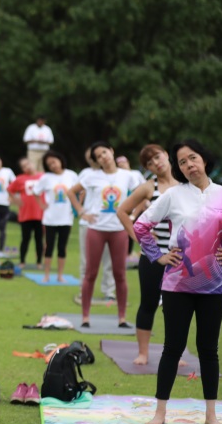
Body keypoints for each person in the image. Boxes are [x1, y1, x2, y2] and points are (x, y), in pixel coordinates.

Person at [133, 139, 222, 424]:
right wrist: (159, 256)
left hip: (215, 285)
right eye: (182, 162)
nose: (188, 165)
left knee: (208, 349)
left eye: (192, 158)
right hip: (177, 284)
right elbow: (141, 225)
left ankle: (211, 415)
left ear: (204, 159)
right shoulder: (174, 195)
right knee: (172, 348)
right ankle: (160, 413)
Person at [117, 144, 178, 366]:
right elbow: (122, 211)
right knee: (149, 303)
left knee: (177, 305)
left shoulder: (185, 184)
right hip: (152, 254)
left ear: (166, 154)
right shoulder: (147, 187)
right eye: (149, 163)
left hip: (180, 255)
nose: (156, 163)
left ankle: (176, 352)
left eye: (157, 157)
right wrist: (137, 236)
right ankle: (143, 353)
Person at [69, 141, 140, 327]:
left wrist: (133, 215)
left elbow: (143, 195)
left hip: (118, 230)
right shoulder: (92, 176)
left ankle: (122, 318)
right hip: (96, 229)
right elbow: (71, 192)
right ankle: (85, 317)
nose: (103, 157)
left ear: (111, 151)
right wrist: (82, 212)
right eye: (98, 156)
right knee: (90, 273)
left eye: (104, 153)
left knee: (120, 274)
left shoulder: (127, 176)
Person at [75, 146, 116, 304]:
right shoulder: (86, 174)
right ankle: (83, 290)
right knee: (86, 260)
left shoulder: (115, 175)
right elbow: (76, 193)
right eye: (94, 156)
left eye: (100, 154)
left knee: (109, 260)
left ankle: (109, 291)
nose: (97, 158)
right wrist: (81, 211)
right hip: (89, 223)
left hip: (110, 223)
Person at [33, 151, 78, 283]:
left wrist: (78, 206)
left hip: (66, 218)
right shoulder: (46, 178)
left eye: (54, 161)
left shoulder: (71, 175)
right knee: (49, 246)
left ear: (60, 160)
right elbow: (36, 192)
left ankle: (60, 275)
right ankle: (46, 275)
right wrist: (42, 205)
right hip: (50, 218)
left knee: (62, 247)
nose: (53, 165)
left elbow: (80, 191)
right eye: (49, 164)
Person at [7, 157, 43, 270]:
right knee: (25, 239)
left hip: (40, 214)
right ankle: (22, 261)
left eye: (28, 164)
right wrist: (14, 199)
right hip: (25, 215)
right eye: (24, 166)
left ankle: (39, 262)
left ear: (33, 163)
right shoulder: (20, 179)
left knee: (39, 240)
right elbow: (9, 189)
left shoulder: (43, 177)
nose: (27, 167)